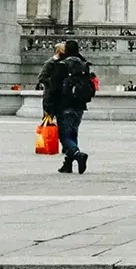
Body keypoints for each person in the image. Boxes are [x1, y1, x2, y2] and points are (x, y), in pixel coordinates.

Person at [43, 39, 93, 174]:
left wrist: (48, 106)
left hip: (64, 104)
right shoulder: (84, 64)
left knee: (64, 136)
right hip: (80, 105)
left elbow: (54, 87)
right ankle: (68, 164)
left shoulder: (62, 65)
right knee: (72, 133)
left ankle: (77, 154)